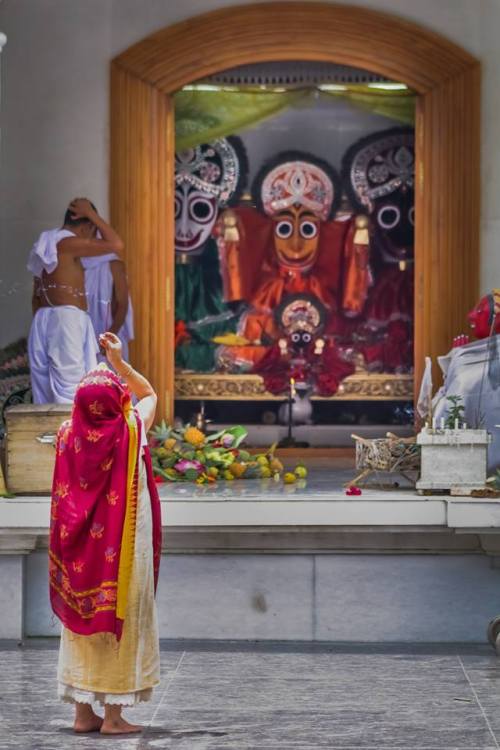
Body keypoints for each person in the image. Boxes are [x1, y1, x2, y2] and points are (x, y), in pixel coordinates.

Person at [49, 332, 162, 734]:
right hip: (121, 553)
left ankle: (82, 714)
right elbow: (149, 393)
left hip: (80, 553)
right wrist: (117, 362)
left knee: (81, 622)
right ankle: (113, 717)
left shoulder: (66, 434)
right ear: (117, 403)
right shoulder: (131, 430)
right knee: (122, 615)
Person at [27, 198, 124, 403]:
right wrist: (92, 214)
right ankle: (72, 435)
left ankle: (51, 435)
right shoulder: (67, 243)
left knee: (45, 390)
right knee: (72, 387)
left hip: (44, 318)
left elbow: (35, 295)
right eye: (93, 230)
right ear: (87, 226)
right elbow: (116, 244)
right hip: (65, 319)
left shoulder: (48, 244)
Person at [82, 252, 134, 362]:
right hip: (83, 337)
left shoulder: (114, 264)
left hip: (110, 335)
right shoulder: (76, 262)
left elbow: (122, 305)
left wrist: (108, 339)